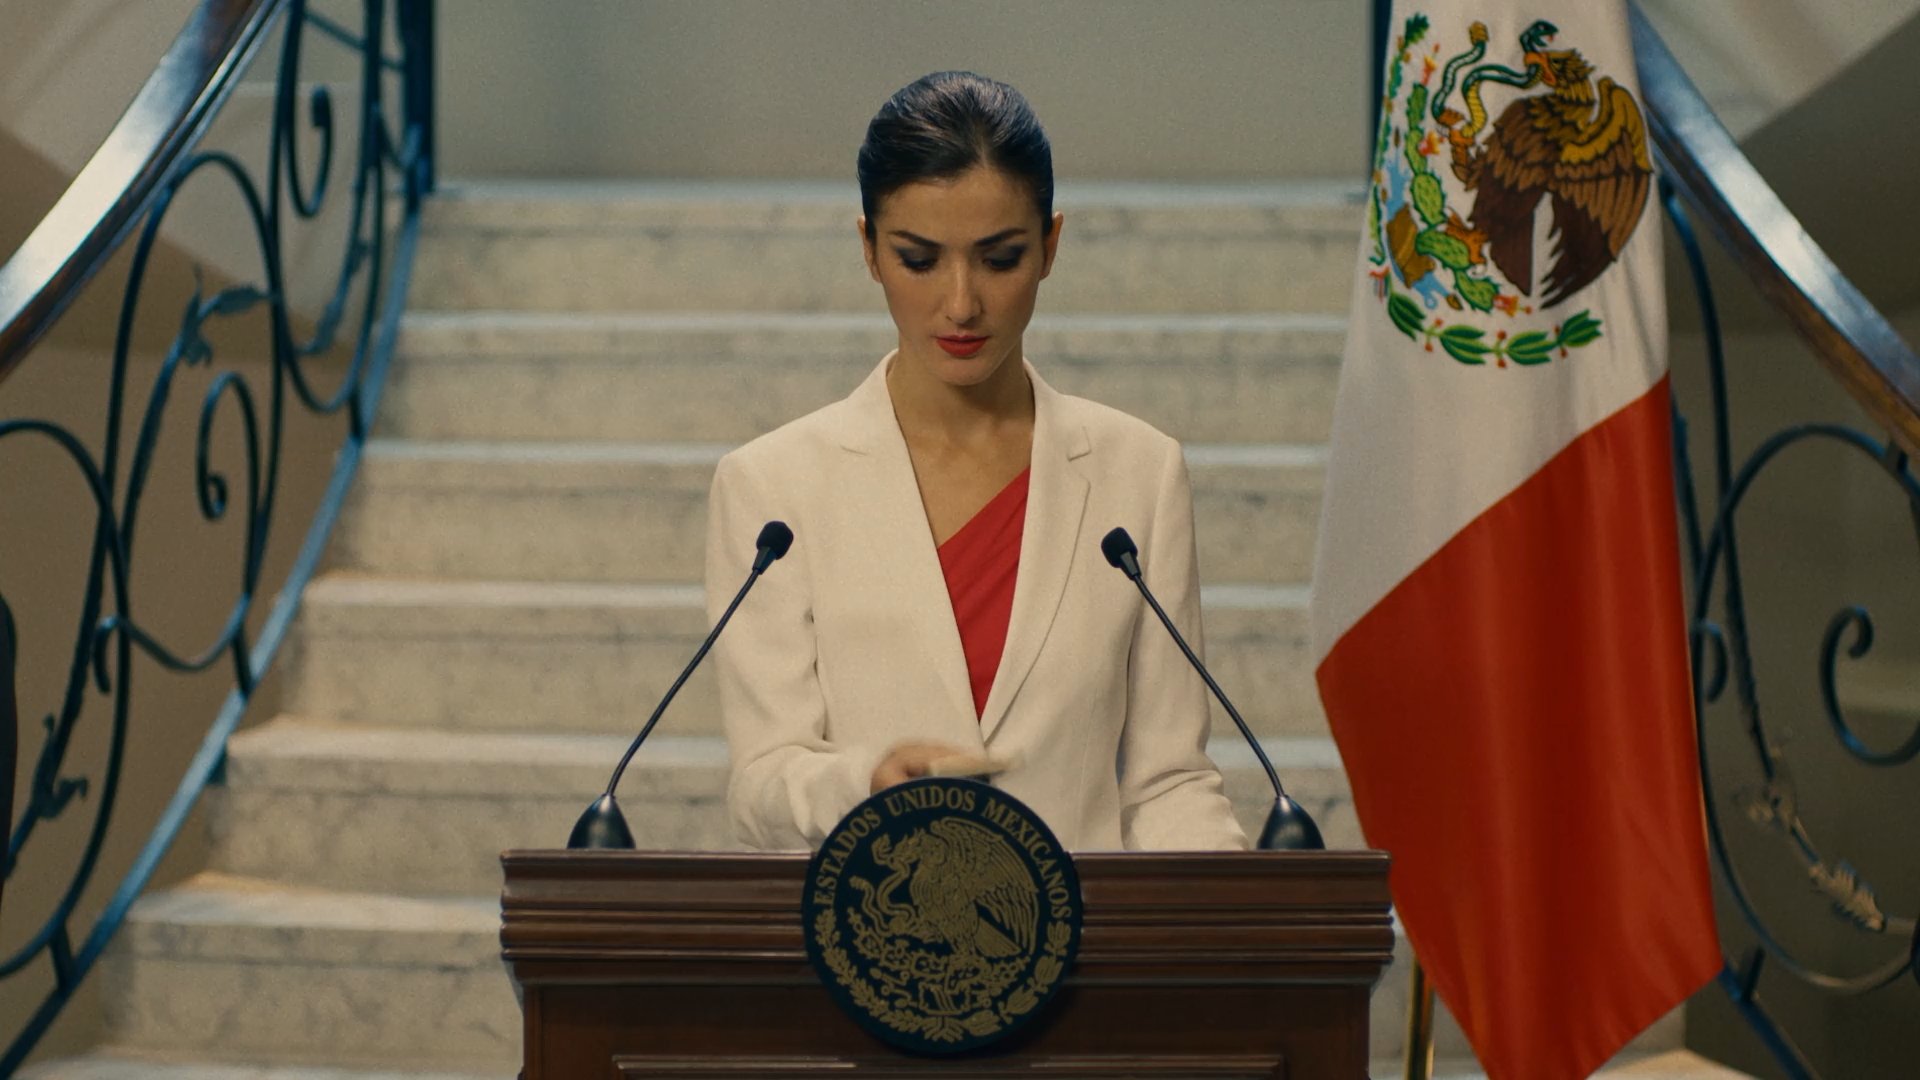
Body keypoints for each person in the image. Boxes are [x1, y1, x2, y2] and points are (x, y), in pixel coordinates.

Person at [705, 71, 1247, 852]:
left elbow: (1169, 782)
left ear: (1050, 246)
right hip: (877, 918)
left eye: (1000, 258)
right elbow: (762, 781)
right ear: (868, 249)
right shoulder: (772, 486)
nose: (961, 304)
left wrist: (1230, 903)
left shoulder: (1140, 473)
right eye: (919, 260)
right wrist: (865, 783)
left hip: (1084, 925)